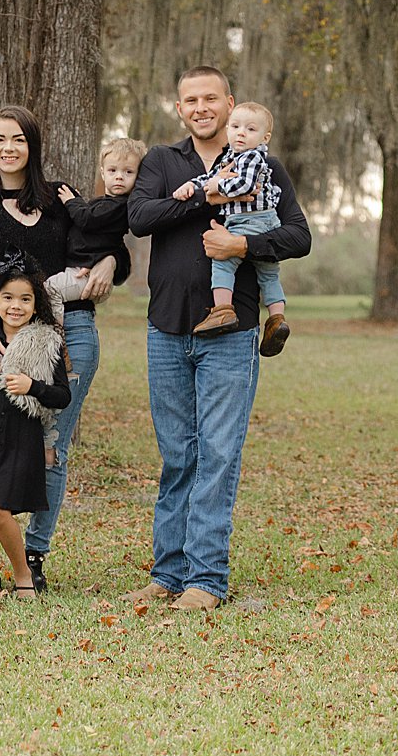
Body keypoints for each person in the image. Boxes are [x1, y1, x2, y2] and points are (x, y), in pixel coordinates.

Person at [128, 66, 310, 611]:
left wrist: (242, 248)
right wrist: (207, 196)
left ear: (231, 104)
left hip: (231, 332)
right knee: (176, 456)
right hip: (166, 328)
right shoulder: (163, 162)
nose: (202, 107)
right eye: (191, 100)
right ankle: (167, 572)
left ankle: (206, 580)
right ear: (179, 108)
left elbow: (298, 234)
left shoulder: (263, 161)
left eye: (212, 98)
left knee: (218, 454)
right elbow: (140, 217)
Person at [0, 105, 114, 592]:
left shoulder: (56, 200)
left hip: (66, 337)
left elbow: (100, 240)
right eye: (0, 139)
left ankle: (35, 554)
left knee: (51, 449)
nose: (8, 148)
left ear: (33, 146)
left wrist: (112, 259)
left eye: (19, 139)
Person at [0, 259, 71, 599]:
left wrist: (31, 386)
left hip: (22, 439)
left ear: (36, 305)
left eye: (25, 299)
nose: (15, 306)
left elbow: (62, 396)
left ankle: (23, 576)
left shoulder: (47, 343)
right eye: (8, 298)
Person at [174, 101, 291, 351]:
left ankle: (223, 311)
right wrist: (191, 187)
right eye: (235, 126)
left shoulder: (253, 157)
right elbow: (210, 177)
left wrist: (218, 188)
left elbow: (245, 186)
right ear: (228, 129)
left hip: (251, 221)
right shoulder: (230, 157)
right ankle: (276, 320)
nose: (241, 133)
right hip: (264, 222)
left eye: (250, 129)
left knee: (223, 262)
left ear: (264, 137)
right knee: (268, 274)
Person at [44, 137, 144, 308]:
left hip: (85, 276)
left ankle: (55, 329)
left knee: (46, 291)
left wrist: (72, 201)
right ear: (103, 172)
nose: (119, 177)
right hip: (80, 271)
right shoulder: (106, 204)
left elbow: (86, 219)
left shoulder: (120, 206)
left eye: (128, 172)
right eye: (113, 170)